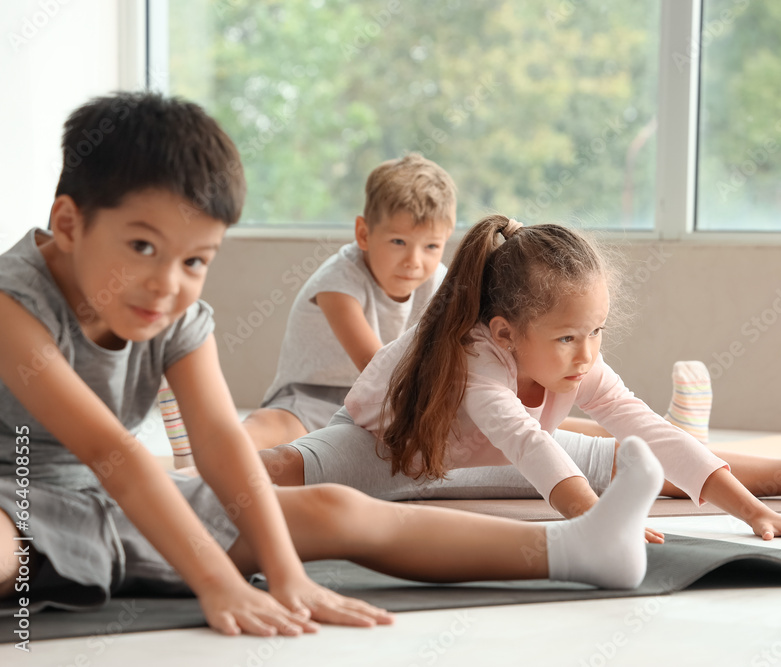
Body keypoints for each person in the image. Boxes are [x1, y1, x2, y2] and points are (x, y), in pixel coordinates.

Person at [0, 93, 677, 638]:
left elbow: (216, 440)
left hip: (120, 500)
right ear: (67, 222)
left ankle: (581, 549)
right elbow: (108, 447)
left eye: (195, 260)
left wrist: (285, 570)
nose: (168, 284)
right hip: (17, 496)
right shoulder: (14, 302)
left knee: (336, 507)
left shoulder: (172, 310)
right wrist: (221, 581)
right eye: (142, 246)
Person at [261, 215, 781, 544]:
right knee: (276, 474)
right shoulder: (476, 357)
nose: (587, 354)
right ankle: (180, 478)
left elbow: (649, 429)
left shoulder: (572, 359)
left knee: (635, 453)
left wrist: (754, 513)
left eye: (597, 332)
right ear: (505, 333)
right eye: (568, 337)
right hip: (385, 449)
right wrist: (598, 520)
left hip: (483, 461)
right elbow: (531, 445)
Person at [243, 155, 456, 450]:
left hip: (387, 400)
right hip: (316, 398)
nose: (414, 262)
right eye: (398, 242)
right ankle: (210, 457)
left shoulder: (440, 283)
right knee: (275, 427)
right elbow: (374, 365)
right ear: (363, 234)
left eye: (431, 246)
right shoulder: (338, 282)